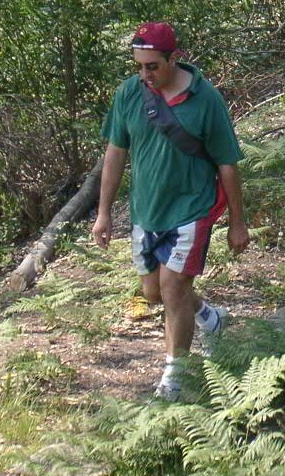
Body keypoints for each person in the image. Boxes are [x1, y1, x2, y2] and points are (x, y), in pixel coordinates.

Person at [92, 22, 247, 401]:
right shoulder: (129, 94)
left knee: (173, 287)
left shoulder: (205, 98)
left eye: (152, 66)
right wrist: (103, 212)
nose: (145, 74)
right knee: (153, 293)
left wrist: (237, 223)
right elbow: (115, 153)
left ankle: (175, 377)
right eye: (139, 66)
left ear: (173, 58)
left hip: (192, 208)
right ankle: (208, 316)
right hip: (146, 210)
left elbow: (227, 163)